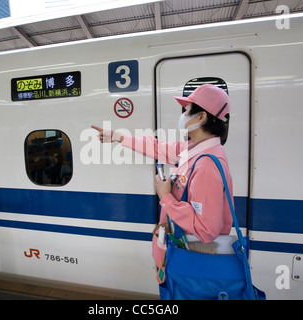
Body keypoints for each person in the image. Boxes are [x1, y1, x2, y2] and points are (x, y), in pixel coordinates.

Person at [92, 84, 234, 268]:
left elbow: (206, 231)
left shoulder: (206, 164)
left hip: (193, 263)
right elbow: (158, 148)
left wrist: (166, 196)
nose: (183, 116)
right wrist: (118, 136)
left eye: (187, 110)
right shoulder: (192, 149)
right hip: (185, 255)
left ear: (201, 117)